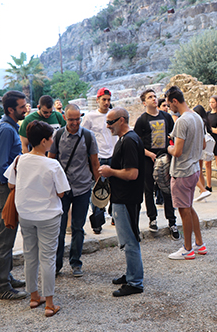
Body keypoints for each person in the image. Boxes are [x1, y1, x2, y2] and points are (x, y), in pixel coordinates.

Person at [6, 121, 70, 316]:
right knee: (48, 258)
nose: (52, 141)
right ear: (43, 141)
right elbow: (61, 192)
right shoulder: (52, 164)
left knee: (30, 256)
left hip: (25, 214)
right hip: (48, 216)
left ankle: (34, 297)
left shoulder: (20, 160)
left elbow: (10, 185)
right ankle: (50, 304)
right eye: (51, 138)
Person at [48, 104, 100, 277]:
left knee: (78, 227)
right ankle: (56, 265)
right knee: (59, 229)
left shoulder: (88, 136)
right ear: (64, 118)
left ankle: (76, 263)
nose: (75, 123)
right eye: (71, 119)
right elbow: (51, 161)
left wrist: (99, 187)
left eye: (78, 119)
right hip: (62, 189)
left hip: (82, 188)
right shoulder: (57, 135)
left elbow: (95, 163)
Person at [99, 107, 146, 297]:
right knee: (128, 239)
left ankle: (135, 282)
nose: (108, 126)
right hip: (125, 197)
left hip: (126, 198)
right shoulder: (127, 139)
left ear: (121, 120)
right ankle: (131, 274)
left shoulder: (129, 141)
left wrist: (110, 171)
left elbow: (132, 173)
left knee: (129, 240)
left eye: (110, 122)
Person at [0, 90, 28, 300]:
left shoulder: (9, 126)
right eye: (22, 107)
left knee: (8, 236)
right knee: (5, 239)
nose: (25, 109)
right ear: (11, 109)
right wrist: (14, 184)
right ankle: (2, 287)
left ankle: (6, 277)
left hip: (8, 189)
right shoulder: (6, 129)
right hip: (6, 190)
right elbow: (0, 167)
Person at [165, 86, 208, 260]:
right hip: (194, 169)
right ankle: (199, 244)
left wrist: (168, 147)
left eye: (169, 105)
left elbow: (177, 151)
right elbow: (203, 145)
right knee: (189, 207)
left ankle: (187, 249)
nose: (169, 108)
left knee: (184, 211)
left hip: (182, 172)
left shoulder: (182, 121)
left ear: (175, 101)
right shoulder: (197, 117)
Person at [133, 88, 180, 240]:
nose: (154, 99)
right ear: (144, 102)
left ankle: (172, 222)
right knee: (149, 190)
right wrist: (150, 154)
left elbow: (173, 137)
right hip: (148, 160)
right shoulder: (142, 120)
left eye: (154, 96)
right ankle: (152, 219)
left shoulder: (166, 117)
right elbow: (137, 144)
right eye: (150, 97)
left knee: (167, 190)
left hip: (165, 159)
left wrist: (171, 152)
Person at [82, 88, 119, 234]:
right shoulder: (90, 117)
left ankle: (115, 216)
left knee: (115, 188)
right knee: (99, 190)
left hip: (114, 156)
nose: (106, 102)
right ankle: (97, 222)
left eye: (109, 100)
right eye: (104, 99)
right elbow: (83, 136)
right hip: (98, 158)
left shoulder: (115, 115)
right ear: (97, 100)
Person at [193, 105, 213, 202]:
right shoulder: (206, 121)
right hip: (203, 148)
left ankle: (203, 190)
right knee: (200, 170)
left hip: (199, 147)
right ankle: (203, 191)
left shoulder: (199, 122)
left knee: (198, 170)